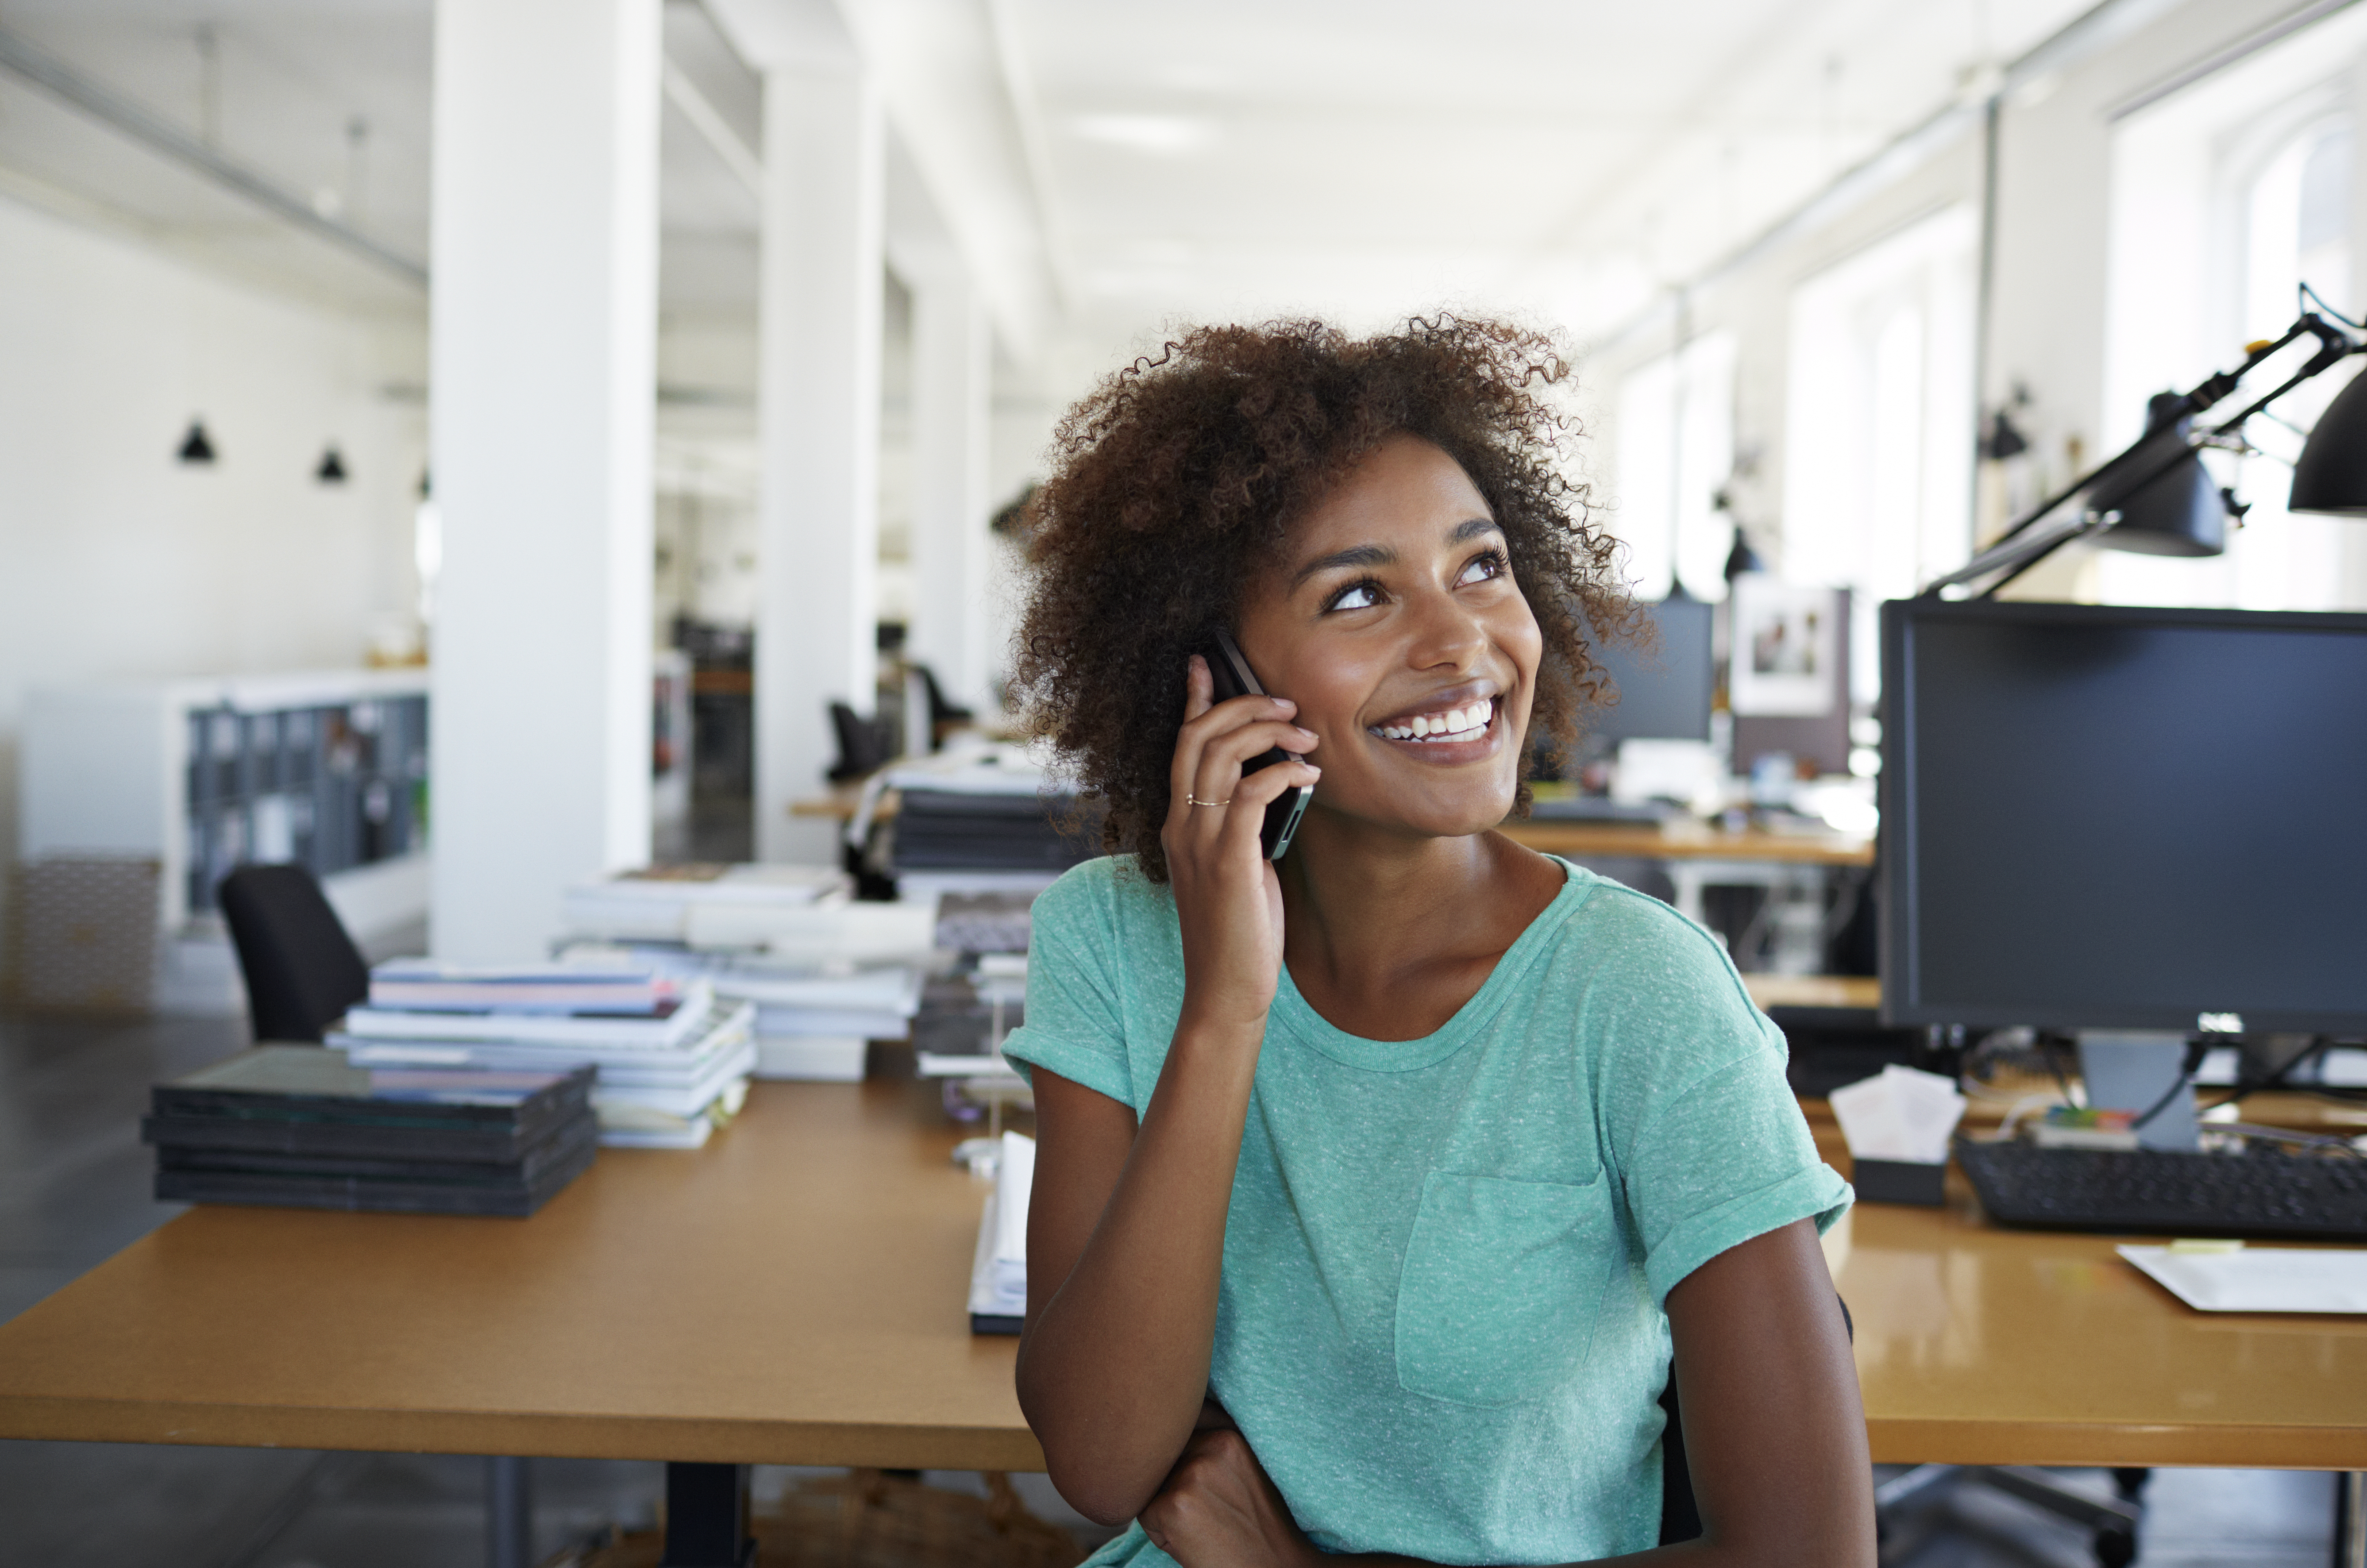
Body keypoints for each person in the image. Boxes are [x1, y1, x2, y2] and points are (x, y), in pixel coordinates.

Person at [998, 317, 1872, 1567]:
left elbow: (1810, 1558)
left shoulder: (1640, 995)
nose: (1461, 642)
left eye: (1480, 567)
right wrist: (1224, 1012)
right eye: (1358, 594)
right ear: (1211, 673)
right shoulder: (1107, 935)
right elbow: (1098, 1463)